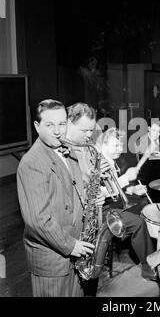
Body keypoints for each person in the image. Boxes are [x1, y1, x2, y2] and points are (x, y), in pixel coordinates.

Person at [16, 99, 103, 297]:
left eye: (62, 124)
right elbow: (37, 220)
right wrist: (72, 246)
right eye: (50, 125)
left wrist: (90, 199)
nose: (58, 131)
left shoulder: (66, 151)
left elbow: (71, 193)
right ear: (37, 127)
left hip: (76, 253)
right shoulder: (32, 162)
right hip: (54, 261)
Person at [96, 127, 158, 280]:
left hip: (115, 204)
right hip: (104, 211)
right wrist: (125, 178)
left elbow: (114, 189)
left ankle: (148, 249)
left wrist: (132, 190)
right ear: (103, 145)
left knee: (145, 205)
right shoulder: (100, 163)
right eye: (116, 145)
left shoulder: (112, 161)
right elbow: (102, 193)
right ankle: (147, 264)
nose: (121, 149)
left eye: (121, 145)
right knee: (138, 223)